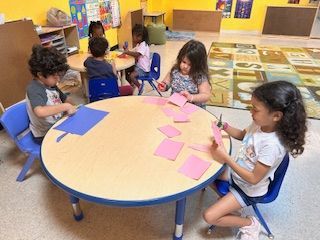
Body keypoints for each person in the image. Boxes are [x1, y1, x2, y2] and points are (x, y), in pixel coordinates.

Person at [203, 81, 307, 240]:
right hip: (236, 176)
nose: (251, 112)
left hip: (248, 190)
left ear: (276, 116)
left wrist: (226, 158)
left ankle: (249, 223)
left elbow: (253, 179)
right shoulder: (259, 123)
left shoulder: (272, 146)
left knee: (209, 216)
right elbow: (241, 135)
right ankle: (231, 204)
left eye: (255, 109)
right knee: (204, 174)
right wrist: (224, 126)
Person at [26, 45, 77, 144]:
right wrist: (65, 106)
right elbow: (39, 111)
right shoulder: (34, 89)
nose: (58, 79)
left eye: (59, 75)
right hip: (44, 134)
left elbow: (65, 98)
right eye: (54, 76)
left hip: (58, 124)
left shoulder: (51, 84)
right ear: (40, 75)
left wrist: (74, 106)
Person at [157, 40, 211, 108]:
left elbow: (206, 95)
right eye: (184, 62)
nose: (185, 66)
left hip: (193, 109)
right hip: (175, 106)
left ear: (198, 65)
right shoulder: (175, 70)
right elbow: (166, 82)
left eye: (190, 65)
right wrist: (164, 86)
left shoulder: (200, 76)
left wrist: (191, 97)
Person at [123, 24, 151, 90]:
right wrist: (127, 50)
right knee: (126, 70)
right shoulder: (139, 45)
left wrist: (127, 52)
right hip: (138, 67)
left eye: (133, 36)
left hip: (143, 70)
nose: (132, 37)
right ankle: (132, 84)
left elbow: (137, 54)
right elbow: (133, 51)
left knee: (131, 76)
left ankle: (140, 86)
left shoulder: (143, 45)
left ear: (140, 37)